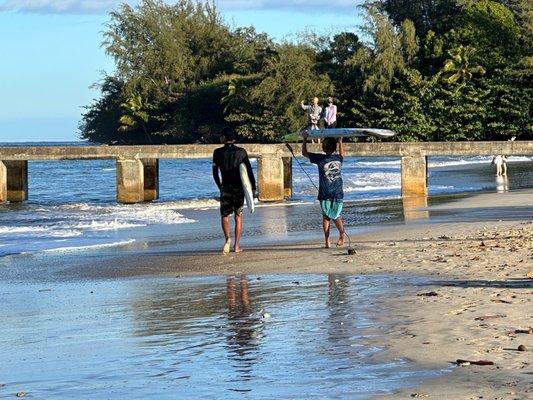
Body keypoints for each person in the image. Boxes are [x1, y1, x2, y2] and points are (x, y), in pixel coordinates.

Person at [212, 127, 256, 254]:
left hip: (225, 187)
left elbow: (215, 173)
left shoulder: (217, 152)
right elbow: (248, 171)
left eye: (222, 136)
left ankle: (227, 239)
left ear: (224, 138)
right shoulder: (241, 152)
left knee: (224, 215)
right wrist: (253, 188)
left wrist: (220, 186)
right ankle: (236, 246)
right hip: (238, 189)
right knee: (238, 215)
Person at [302, 131, 346, 248]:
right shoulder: (338, 158)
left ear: (323, 147)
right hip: (332, 192)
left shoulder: (321, 159)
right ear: (335, 147)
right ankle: (327, 240)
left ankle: (342, 234)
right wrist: (341, 142)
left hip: (332, 192)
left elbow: (304, 153)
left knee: (333, 215)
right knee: (328, 215)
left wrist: (305, 139)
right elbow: (342, 154)